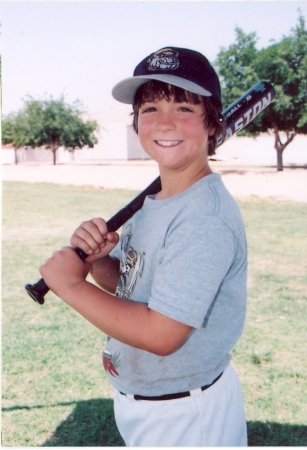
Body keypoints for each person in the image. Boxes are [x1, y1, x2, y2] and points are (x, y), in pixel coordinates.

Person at [39, 46, 248, 446]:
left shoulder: (203, 218)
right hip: (153, 402)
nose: (165, 122)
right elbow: (141, 292)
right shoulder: (159, 202)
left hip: (186, 415)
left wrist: (70, 286)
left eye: (185, 108)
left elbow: (162, 333)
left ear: (212, 124)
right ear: (137, 123)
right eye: (150, 108)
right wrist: (101, 265)